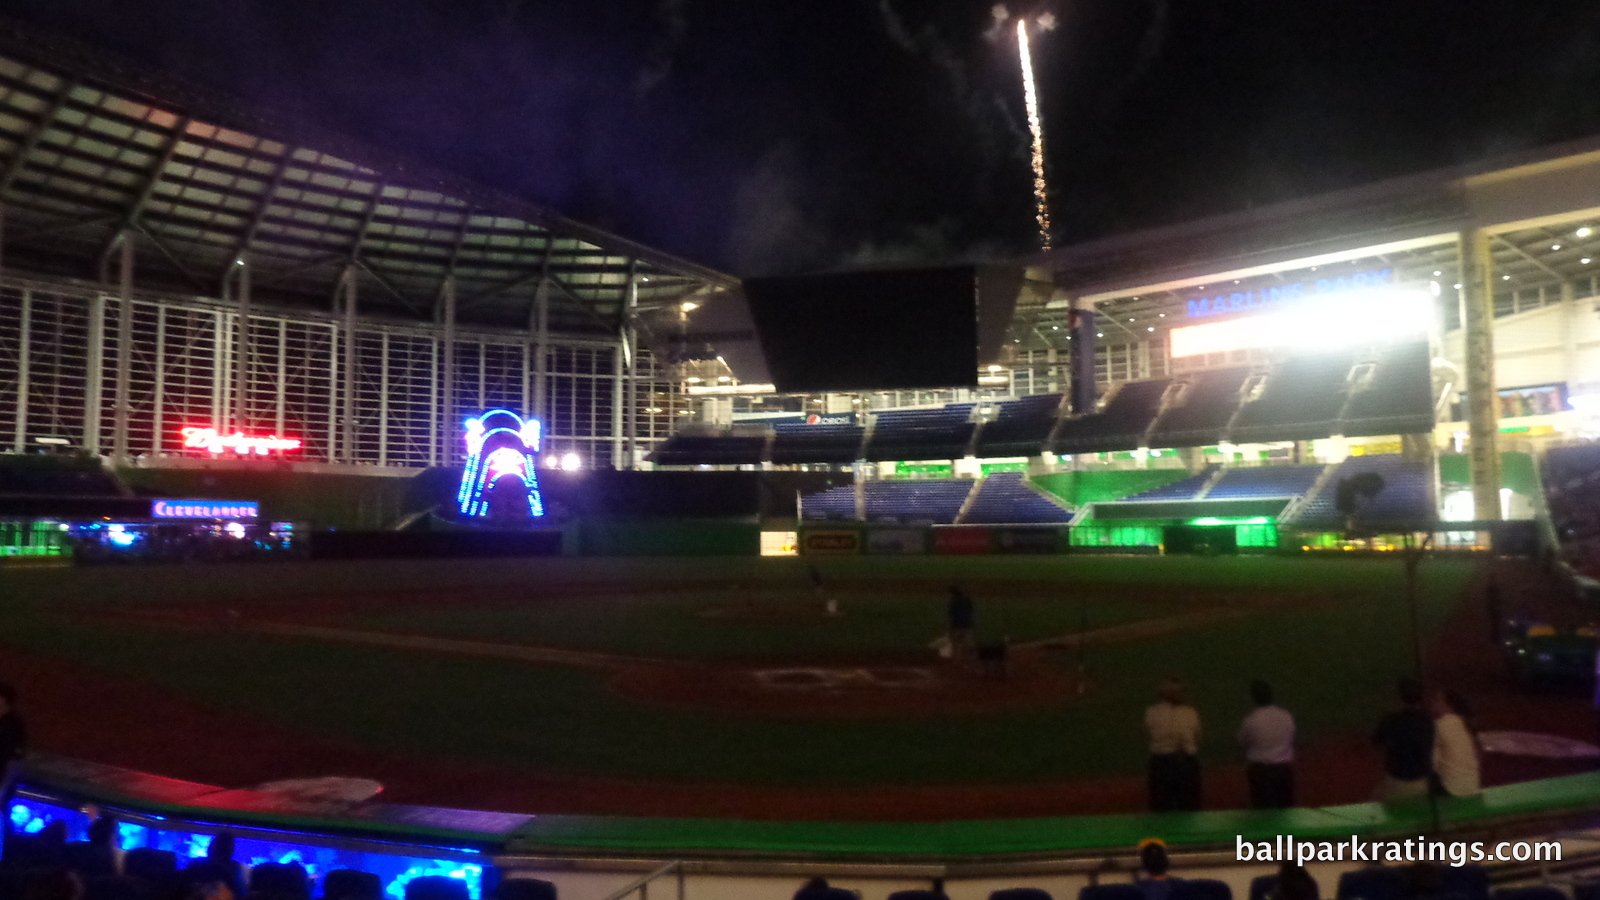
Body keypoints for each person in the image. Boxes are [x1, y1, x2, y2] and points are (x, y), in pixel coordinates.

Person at [1372, 677, 1434, 801]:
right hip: (1423, 782)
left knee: (1375, 800)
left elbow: (1376, 743)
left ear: (1399, 697)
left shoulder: (1390, 720)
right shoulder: (1428, 721)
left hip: (1397, 780)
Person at [1145, 680, 1202, 811]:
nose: (1183, 694)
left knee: (1166, 804)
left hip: (1167, 761)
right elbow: (1197, 736)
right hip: (1176, 760)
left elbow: (1149, 734)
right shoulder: (1189, 712)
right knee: (1182, 803)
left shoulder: (1152, 712)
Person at [1237, 680, 1296, 808]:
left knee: (1263, 814)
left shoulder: (1251, 720)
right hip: (1283, 771)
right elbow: (1292, 737)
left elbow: (1242, 741)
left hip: (1261, 774)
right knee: (1286, 812)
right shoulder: (1286, 716)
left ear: (1254, 699)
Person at [1430, 690, 1481, 798]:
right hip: (1473, 786)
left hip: (1452, 789)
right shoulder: (1464, 723)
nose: (1433, 702)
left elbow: (1433, 764)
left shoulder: (1438, 725)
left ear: (1448, 706)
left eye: (1437, 700)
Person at [946, 585, 975, 661]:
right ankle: (967, 657)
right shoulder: (967, 600)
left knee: (955, 642)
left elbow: (951, 614)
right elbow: (971, 610)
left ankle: (957, 657)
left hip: (957, 624)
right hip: (967, 624)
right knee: (967, 642)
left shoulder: (953, 602)